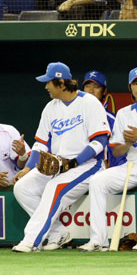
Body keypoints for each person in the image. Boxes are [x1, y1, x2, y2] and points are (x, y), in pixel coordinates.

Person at [12, 62, 110, 253]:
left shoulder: (89, 102)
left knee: (54, 188)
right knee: (22, 187)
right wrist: (26, 169)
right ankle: (58, 233)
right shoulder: (51, 107)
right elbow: (40, 144)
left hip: (88, 165)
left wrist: (73, 163)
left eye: (49, 82)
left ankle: (31, 241)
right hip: (58, 164)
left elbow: (99, 142)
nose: (46, 86)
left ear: (62, 83)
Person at [78, 67, 137, 252]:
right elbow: (117, 151)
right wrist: (128, 143)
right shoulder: (123, 113)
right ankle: (98, 240)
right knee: (98, 181)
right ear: (130, 87)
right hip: (132, 164)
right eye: (135, 83)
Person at [82, 70, 125, 167]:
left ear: (104, 91)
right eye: (88, 86)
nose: (91, 90)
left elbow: (117, 154)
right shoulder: (74, 115)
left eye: (96, 86)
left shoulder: (112, 119)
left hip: (99, 168)